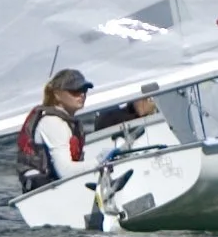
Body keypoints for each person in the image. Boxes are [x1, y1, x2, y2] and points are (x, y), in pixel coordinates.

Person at [14, 69, 159, 191]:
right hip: (41, 190)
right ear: (57, 94)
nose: (82, 94)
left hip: (56, 186)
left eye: (84, 90)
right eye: (75, 91)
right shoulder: (53, 123)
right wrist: (99, 162)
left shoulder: (66, 121)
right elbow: (64, 171)